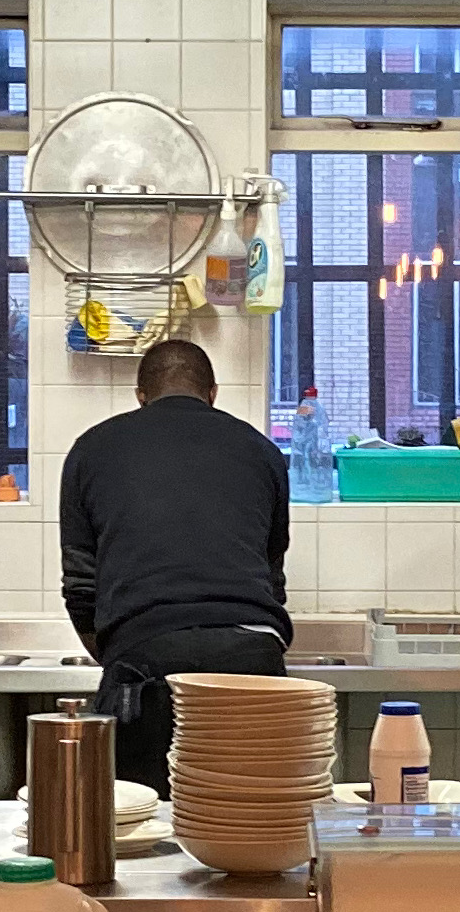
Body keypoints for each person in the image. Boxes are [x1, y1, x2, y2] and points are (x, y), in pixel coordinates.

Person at [59, 335, 293, 794]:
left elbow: (81, 586)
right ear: (212, 394)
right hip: (255, 658)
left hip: (146, 659)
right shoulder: (262, 451)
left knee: (146, 830)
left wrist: (123, 652)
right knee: (255, 824)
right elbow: (272, 573)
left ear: (141, 397)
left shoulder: (90, 449)